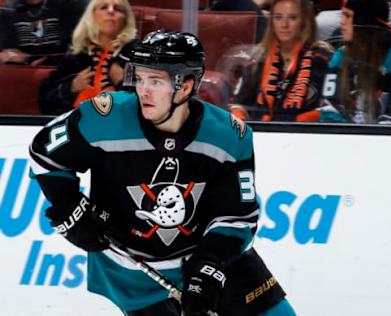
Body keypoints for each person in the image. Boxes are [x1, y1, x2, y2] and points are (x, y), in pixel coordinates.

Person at [29, 30, 296, 316]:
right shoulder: (105, 118)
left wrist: (207, 267)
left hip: (208, 256)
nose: (143, 90)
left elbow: (236, 217)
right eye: (140, 78)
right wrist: (70, 206)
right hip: (131, 271)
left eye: (155, 81)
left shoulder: (229, 136)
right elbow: (43, 153)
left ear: (185, 87)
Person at [319, 0, 391, 124]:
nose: (341, 22)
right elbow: (330, 110)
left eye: (347, 16)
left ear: (364, 21)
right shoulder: (341, 54)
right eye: (342, 15)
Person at [231, 0, 333, 122]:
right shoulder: (257, 60)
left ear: (304, 22)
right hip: (261, 131)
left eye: (292, 18)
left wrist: (302, 120)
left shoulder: (321, 58)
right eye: (278, 18)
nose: (284, 25)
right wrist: (239, 116)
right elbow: (238, 104)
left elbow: (332, 108)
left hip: (306, 134)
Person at [37, 0, 137, 115]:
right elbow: (44, 99)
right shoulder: (76, 55)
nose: (110, 11)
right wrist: (71, 87)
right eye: (104, 7)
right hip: (74, 125)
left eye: (118, 9)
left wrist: (122, 83)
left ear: (126, 20)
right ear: (92, 16)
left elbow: (151, 102)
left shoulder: (136, 55)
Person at [0, 0, 88, 65]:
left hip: (69, 67)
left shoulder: (73, 4)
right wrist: (19, 58)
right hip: (26, 70)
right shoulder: (7, 8)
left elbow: (81, 45)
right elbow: (9, 51)